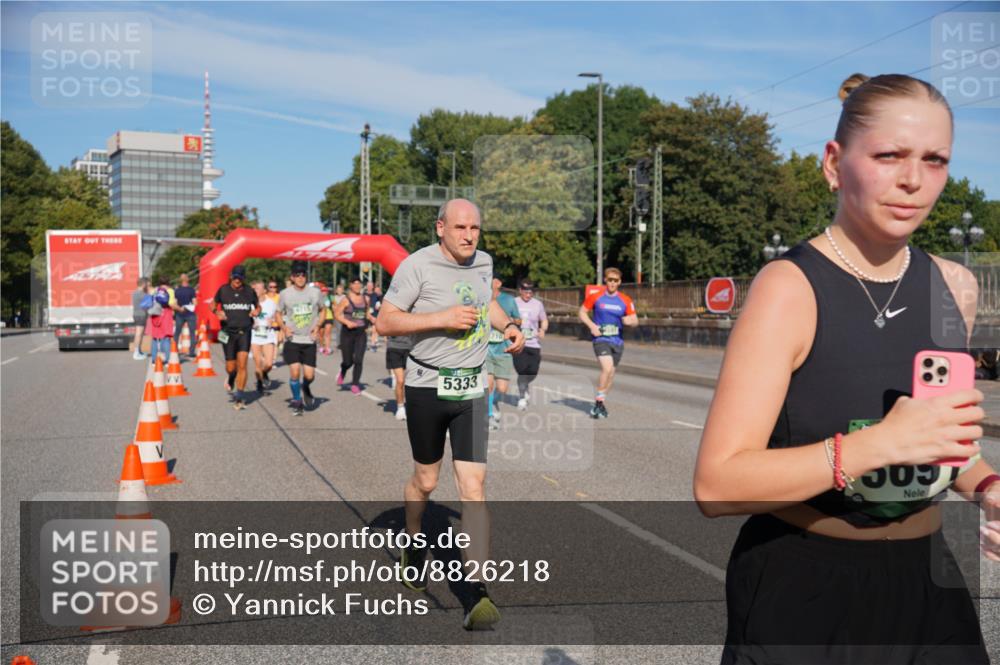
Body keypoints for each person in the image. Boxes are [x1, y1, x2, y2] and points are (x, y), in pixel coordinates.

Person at [694, 73, 998, 665]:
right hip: (806, 585)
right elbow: (717, 482)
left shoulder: (954, 287)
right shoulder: (788, 288)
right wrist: (876, 445)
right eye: (889, 156)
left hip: (928, 584)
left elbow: (944, 445)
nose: (913, 179)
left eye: (935, 160)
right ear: (834, 163)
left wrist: (987, 488)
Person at [376, 198, 524, 631]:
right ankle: (413, 538)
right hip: (426, 385)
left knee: (473, 487)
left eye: (475, 228)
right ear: (440, 227)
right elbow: (386, 322)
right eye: (460, 227)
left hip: (471, 389)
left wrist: (507, 325)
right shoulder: (416, 266)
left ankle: (476, 591)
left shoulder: (483, 263)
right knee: (425, 480)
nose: (468, 236)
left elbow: (486, 305)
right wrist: (440, 318)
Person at [578, 267, 638, 418]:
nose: (612, 283)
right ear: (605, 280)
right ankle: (598, 403)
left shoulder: (625, 300)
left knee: (611, 373)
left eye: (615, 281)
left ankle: (601, 403)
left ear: (620, 282)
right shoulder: (596, 296)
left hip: (617, 340)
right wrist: (592, 326)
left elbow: (635, 320)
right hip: (601, 339)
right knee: (607, 368)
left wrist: (630, 321)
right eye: (610, 280)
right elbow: (582, 312)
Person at [275, 261, 323, 416]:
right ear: (292, 277)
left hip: (309, 340)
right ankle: (297, 401)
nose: (301, 277)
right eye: (297, 275)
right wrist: (284, 327)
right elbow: (277, 313)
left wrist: (318, 326)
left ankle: (306, 387)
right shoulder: (285, 294)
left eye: (303, 275)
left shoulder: (315, 293)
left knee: (309, 375)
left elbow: (323, 310)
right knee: (295, 372)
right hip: (293, 339)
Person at [212, 265, 260, 410]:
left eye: (240, 277)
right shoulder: (223, 290)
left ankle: (239, 395)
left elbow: (258, 306)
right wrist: (216, 312)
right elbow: (212, 304)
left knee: (243, 364)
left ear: (243, 278)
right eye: (235, 277)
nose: (237, 280)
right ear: (231, 276)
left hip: (244, 331)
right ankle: (232, 377)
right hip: (227, 332)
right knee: (231, 367)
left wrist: (256, 311)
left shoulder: (249, 291)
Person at [486, 276, 521, 430]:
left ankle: (493, 402)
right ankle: (489, 413)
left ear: (499, 283)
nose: (490, 282)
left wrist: (509, 323)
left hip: (503, 348)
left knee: (502, 388)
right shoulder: (482, 296)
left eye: (493, 279)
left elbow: (519, 320)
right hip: (486, 348)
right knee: (488, 384)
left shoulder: (508, 299)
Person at [334, 277, 374, 395]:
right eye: (354, 284)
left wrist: (372, 318)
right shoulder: (346, 300)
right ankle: (343, 370)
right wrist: (347, 322)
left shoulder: (366, 299)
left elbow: (366, 314)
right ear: (350, 285)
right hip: (347, 333)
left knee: (359, 360)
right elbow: (337, 314)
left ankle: (355, 384)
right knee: (348, 361)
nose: (357, 286)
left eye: (359, 284)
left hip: (361, 333)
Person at [512, 278, 548, 411]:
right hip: (518, 343)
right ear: (520, 290)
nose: (529, 294)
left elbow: (544, 320)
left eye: (531, 291)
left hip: (534, 343)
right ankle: (522, 396)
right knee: (521, 370)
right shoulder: (514, 302)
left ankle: (524, 385)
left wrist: (543, 329)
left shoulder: (538, 304)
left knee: (532, 372)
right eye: (526, 291)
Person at [250, 280, 277, 395]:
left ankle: (265, 373)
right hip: (255, 335)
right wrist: (251, 322)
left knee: (269, 363)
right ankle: (260, 383)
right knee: (258, 363)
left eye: (258, 288)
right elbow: (246, 317)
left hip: (268, 335)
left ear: (264, 290)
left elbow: (277, 318)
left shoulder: (271, 303)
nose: (255, 290)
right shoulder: (250, 304)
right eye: (254, 288)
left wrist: (273, 321)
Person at [145, 276, 176, 366]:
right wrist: (178, 308)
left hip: (155, 314)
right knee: (166, 338)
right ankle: (167, 360)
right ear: (168, 281)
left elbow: (150, 301)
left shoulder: (155, 290)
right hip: (166, 314)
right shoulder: (170, 291)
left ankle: (154, 361)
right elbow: (171, 303)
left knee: (155, 338)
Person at [386, 332, 413, 421]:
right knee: (400, 381)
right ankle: (400, 408)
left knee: (410, 381)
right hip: (394, 347)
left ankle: (413, 407)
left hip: (410, 348)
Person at [173, 273, 198, 358]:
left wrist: (180, 308)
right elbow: (195, 303)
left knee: (177, 333)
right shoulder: (191, 290)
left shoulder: (177, 291)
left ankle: (175, 350)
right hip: (190, 314)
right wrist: (188, 306)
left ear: (181, 281)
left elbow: (175, 304)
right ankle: (191, 352)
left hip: (180, 314)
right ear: (187, 280)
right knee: (192, 333)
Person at [131, 277, 150, 360]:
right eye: (146, 284)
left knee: (140, 333)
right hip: (141, 315)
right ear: (143, 284)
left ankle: (139, 350)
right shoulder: (143, 294)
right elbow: (149, 304)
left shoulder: (134, 293)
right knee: (139, 333)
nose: (147, 285)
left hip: (137, 314)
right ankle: (136, 352)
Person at [367, 280, 382, 351]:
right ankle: (364, 344)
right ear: (367, 286)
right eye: (368, 285)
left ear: (372, 286)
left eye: (371, 286)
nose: (369, 287)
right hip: (366, 314)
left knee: (374, 330)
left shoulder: (375, 294)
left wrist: (378, 306)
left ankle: (373, 344)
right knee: (364, 330)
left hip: (374, 314)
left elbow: (379, 303)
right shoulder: (363, 294)